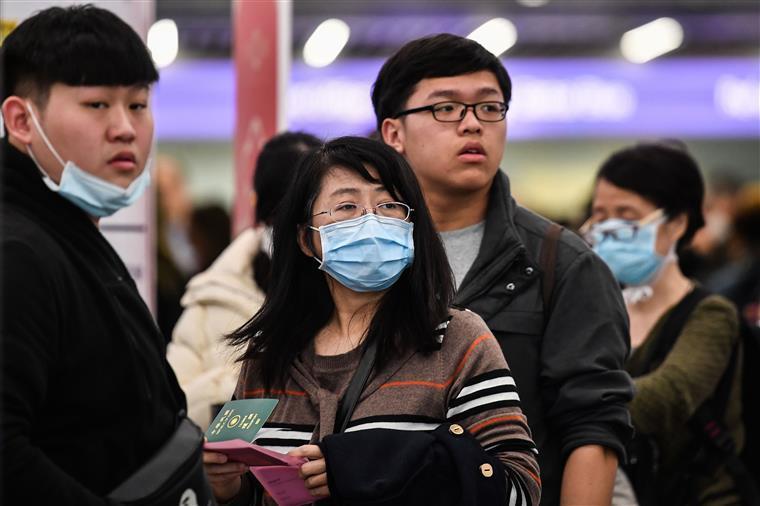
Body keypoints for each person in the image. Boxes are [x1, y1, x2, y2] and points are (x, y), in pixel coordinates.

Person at [203, 136, 541, 505]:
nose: (371, 219)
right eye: (347, 206)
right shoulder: (267, 356)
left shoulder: (456, 340)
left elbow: (519, 489)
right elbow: (255, 491)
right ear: (306, 239)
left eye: (389, 204)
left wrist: (370, 465)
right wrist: (227, 488)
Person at [372, 33, 633, 505]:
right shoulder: (358, 256)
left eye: (490, 108)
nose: (472, 125)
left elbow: (593, 429)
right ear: (394, 133)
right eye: (445, 108)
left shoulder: (563, 264)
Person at [1, 6, 188, 503]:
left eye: (139, 104)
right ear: (22, 120)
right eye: (97, 104)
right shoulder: (17, 252)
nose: (125, 128)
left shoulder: (68, 233)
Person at [582, 142, 744, 505]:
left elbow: (668, 397)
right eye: (599, 215)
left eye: (625, 215)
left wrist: (575, 410)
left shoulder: (711, 314)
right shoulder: (597, 309)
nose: (608, 229)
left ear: (677, 224)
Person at [168, 131, 321, 429]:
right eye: (283, 214)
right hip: (234, 473)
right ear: (257, 206)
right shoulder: (212, 297)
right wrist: (257, 387)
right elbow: (174, 409)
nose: (297, 233)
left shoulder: (349, 292)